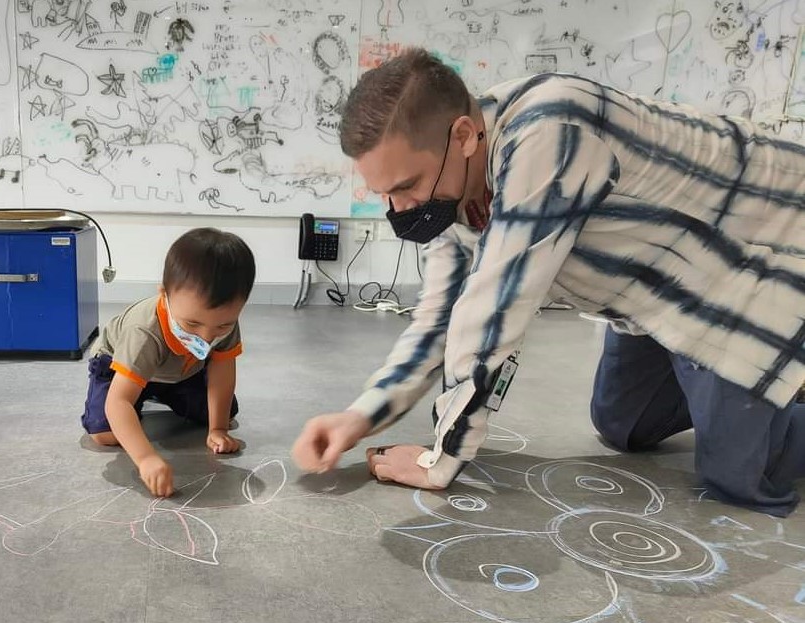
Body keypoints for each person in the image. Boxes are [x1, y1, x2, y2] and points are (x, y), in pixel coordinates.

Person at [292, 48, 805, 517]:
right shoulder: (455, 181)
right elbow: (440, 320)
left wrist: (441, 458)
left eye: (407, 187)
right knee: (623, 428)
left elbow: (495, 308)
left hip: (746, 262)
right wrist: (361, 416)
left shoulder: (550, 128)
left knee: (739, 477)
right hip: (651, 290)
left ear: (465, 136)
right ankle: (756, 392)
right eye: (385, 194)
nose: (399, 210)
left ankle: (776, 380)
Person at [81, 227, 255, 497]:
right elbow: (118, 402)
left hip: (182, 370)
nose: (207, 337)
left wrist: (217, 428)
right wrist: (146, 458)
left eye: (222, 326)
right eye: (192, 323)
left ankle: (160, 392)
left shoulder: (224, 324)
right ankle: (145, 391)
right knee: (106, 433)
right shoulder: (144, 331)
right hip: (117, 364)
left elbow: (222, 370)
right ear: (165, 293)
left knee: (225, 410)